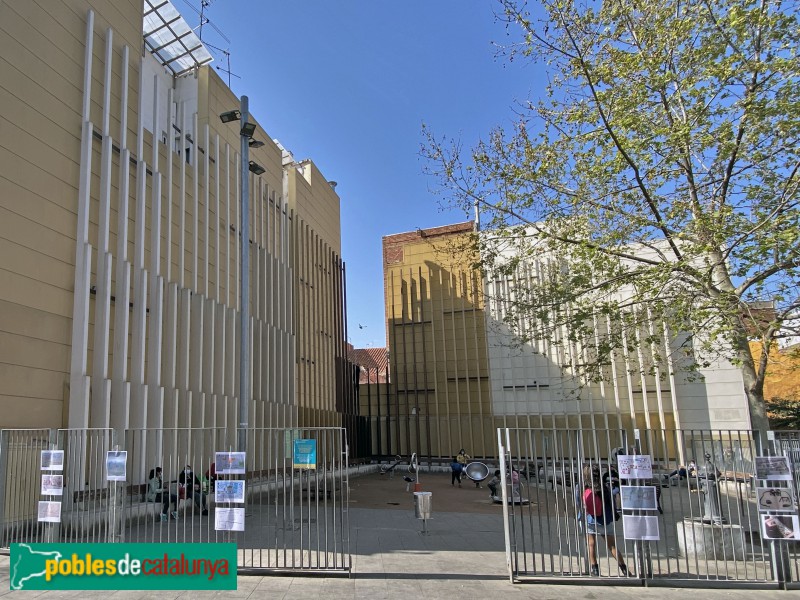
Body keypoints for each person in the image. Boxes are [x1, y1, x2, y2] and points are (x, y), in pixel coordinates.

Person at [582, 464, 627, 577]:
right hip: (604, 519)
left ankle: (595, 569)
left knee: (591, 544)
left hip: (590, 519)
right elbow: (611, 503)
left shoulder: (584, 487)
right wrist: (615, 514)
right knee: (612, 545)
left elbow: (580, 503)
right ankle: (624, 569)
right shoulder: (605, 488)